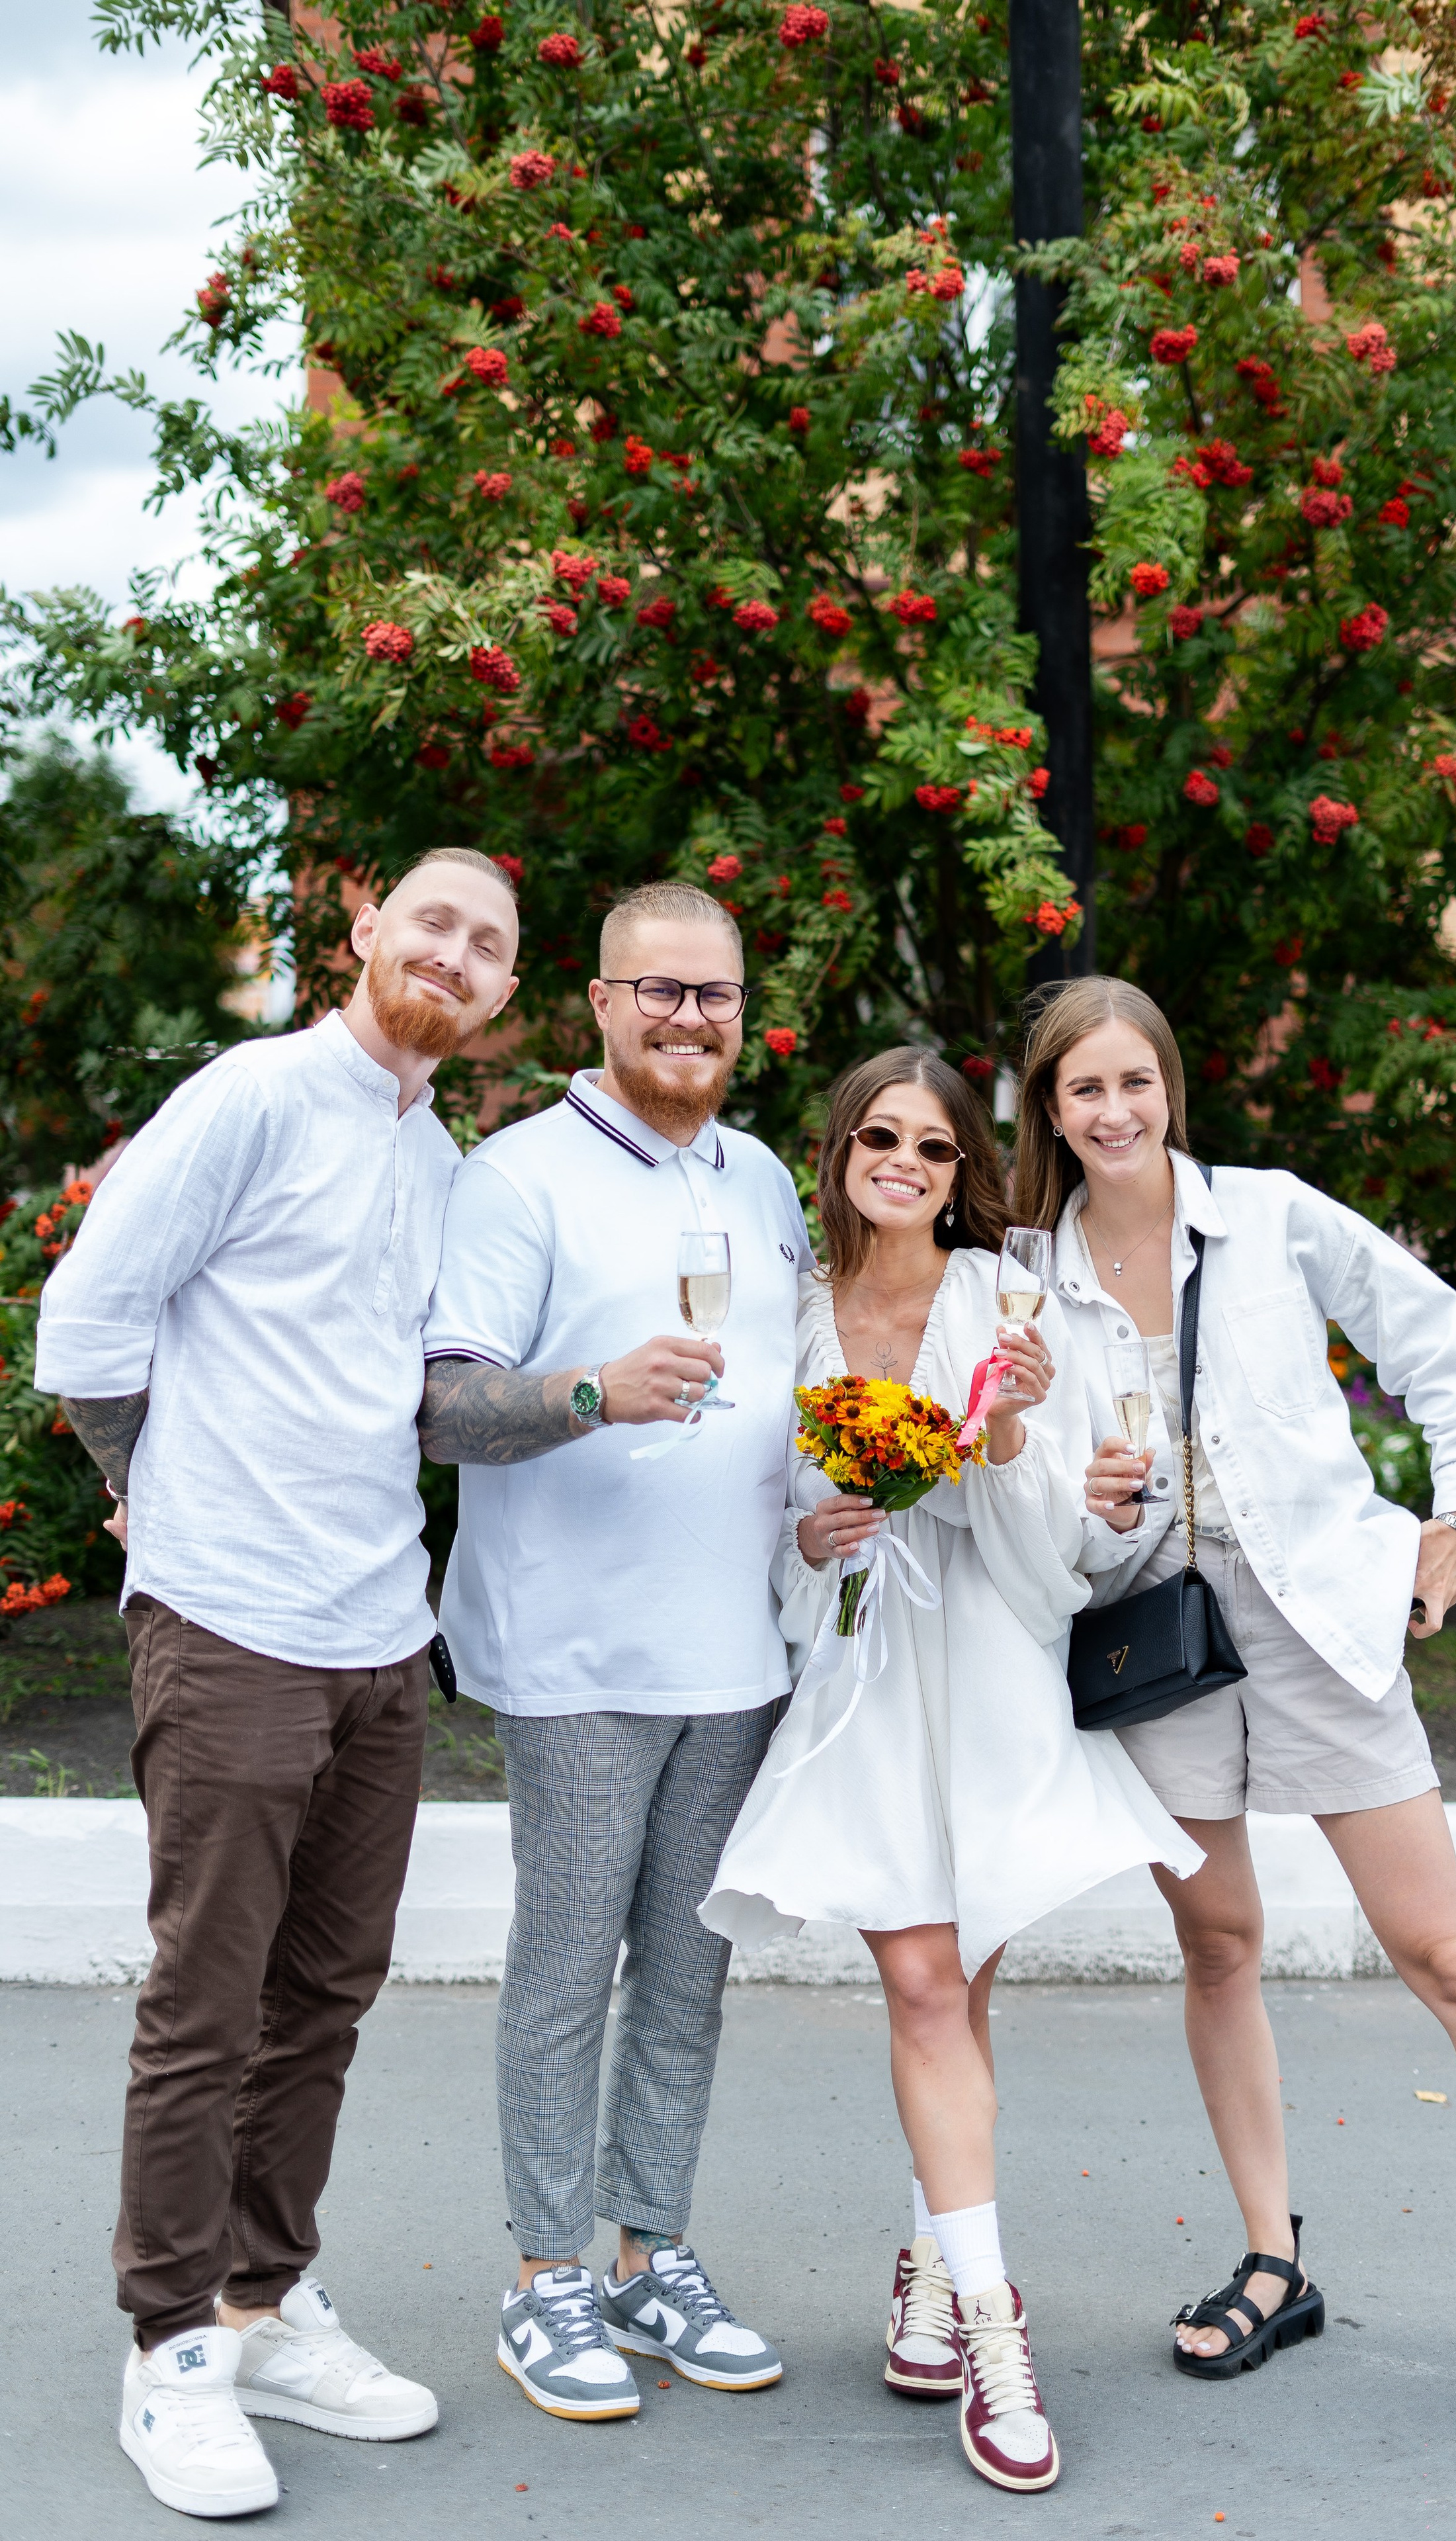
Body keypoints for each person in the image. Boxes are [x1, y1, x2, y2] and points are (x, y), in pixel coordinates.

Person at [1019, 973, 1456, 2457]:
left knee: (1446, 1957)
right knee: (1217, 1942)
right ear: (1049, 1112)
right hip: (1153, 1639)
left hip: (1321, 1620)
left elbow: (1440, 1350)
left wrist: (1453, 1522)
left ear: (1169, 1088)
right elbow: (1023, 1472)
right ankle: (1274, 2257)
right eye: (1083, 1091)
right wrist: (1080, 1494)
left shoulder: (1264, 1216)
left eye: (1135, 1082)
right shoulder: (1030, 1270)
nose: (1114, 1112)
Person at [35, 848, 522, 2519]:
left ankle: (261, 2297)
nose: (452, 957)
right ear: (366, 929)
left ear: (505, 998)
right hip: (232, 1618)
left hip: (381, 1638)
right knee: (207, 2003)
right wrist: (139, 1485)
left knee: (320, 1996)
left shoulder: (440, 1152)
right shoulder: (255, 1092)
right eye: (433, 923)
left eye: (488, 948)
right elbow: (88, 1324)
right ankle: (170, 2347)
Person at [699, 1048, 1204, 2494]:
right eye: (879, 1137)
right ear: (841, 1153)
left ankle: (928, 2273)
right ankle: (994, 2331)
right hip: (859, 1678)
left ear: (958, 1171)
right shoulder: (793, 1317)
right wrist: (808, 1543)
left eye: (932, 1146)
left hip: (981, 1668)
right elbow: (773, 1517)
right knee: (923, 1984)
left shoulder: (1002, 1300)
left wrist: (1000, 1427)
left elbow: (1058, 1527)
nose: (905, 1164)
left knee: (959, 1983)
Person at [417, 881, 802, 2426]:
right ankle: (541, 2279)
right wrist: (590, 1394)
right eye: (658, 992)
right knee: (569, 1970)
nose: (687, 1019)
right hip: (577, 1652)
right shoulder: (516, 1178)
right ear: (595, 1000)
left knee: (690, 1977)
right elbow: (444, 1408)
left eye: (711, 995)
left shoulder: (769, 1176)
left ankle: (653, 2256)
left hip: (738, 1652)